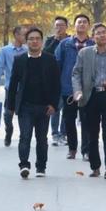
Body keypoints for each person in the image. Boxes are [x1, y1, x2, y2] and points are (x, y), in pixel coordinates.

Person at [72, 23, 106, 179]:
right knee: (92, 134)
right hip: (90, 97)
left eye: (104, 32)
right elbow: (76, 73)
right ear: (93, 36)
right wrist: (77, 91)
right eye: (98, 33)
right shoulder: (84, 53)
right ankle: (95, 167)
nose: (102, 35)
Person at [6, 27, 61, 179]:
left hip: (44, 106)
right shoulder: (20, 59)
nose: (34, 41)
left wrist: (54, 105)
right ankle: (24, 165)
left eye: (37, 39)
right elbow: (13, 85)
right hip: (25, 106)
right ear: (26, 41)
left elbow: (56, 84)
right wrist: (11, 107)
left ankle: (41, 167)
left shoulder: (50, 59)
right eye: (31, 39)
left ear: (41, 41)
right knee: (25, 136)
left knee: (42, 139)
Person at [55, 14, 95, 160]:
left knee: (87, 121)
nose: (82, 24)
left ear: (88, 25)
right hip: (68, 89)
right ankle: (72, 148)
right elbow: (57, 64)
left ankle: (86, 150)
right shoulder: (65, 44)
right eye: (79, 22)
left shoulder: (93, 44)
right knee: (69, 120)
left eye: (85, 22)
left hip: (88, 89)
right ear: (74, 25)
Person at [0, 26, 27, 146]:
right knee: (8, 114)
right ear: (16, 35)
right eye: (23, 35)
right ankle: (9, 131)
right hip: (11, 87)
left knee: (24, 114)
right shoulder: (5, 50)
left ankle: (24, 136)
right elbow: (0, 66)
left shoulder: (27, 50)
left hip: (25, 88)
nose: (26, 37)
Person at [43, 16, 69, 147]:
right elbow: (45, 54)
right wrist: (55, 40)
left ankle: (64, 133)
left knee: (67, 108)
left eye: (62, 25)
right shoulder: (50, 40)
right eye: (57, 25)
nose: (59, 28)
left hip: (67, 78)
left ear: (66, 27)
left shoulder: (70, 41)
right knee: (55, 107)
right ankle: (54, 133)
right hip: (53, 79)